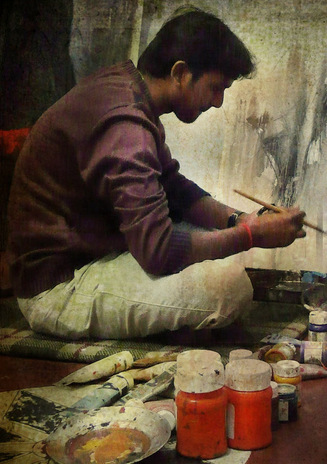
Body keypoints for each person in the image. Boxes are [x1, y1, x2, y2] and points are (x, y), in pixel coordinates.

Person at [6, 6, 306, 340]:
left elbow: (173, 189)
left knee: (208, 237)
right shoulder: (125, 123)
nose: (219, 102)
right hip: (57, 288)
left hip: (95, 253)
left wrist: (240, 221)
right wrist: (252, 236)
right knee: (228, 288)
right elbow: (158, 250)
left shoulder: (128, 89)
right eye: (215, 87)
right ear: (181, 73)